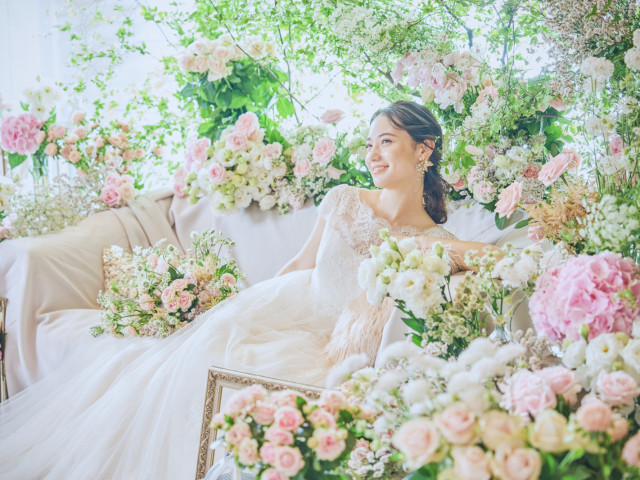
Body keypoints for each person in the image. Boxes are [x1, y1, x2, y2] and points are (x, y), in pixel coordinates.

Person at [0, 101, 495, 479]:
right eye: (369, 144)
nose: (372, 154)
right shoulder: (344, 198)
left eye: (385, 141)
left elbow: (497, 259)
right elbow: (300, 263)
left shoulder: (439, 243)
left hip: (336, 343)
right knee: (202, 356)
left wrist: (440, 247)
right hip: (288, 307)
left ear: (424, 149)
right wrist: (238, 305)